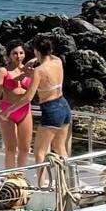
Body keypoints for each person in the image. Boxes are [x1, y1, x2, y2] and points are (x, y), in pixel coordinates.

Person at [28, 36, 71, 185]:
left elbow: (28, 96)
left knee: (40, 151)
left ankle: (41, 184)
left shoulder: (38, 71)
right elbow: (49, 57)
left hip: (50, 108)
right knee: (60, 147)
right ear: (50, 50)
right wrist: (34, 59)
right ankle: (65, 180)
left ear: (36, 51)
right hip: (64, 105)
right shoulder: (57, 61)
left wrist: (11, 108)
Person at [0, 44, 34, 171]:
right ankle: (9, 177)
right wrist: (0, 110)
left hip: (24, 110)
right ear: (9, 56)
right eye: (15, 53)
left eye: (21, 53)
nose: (19, 56)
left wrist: (31, 63)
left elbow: (44, 61)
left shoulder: (29, 71)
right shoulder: (4, 71)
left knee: (25, 148)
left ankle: (20, 176)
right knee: (11, 148)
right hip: (7, 111)